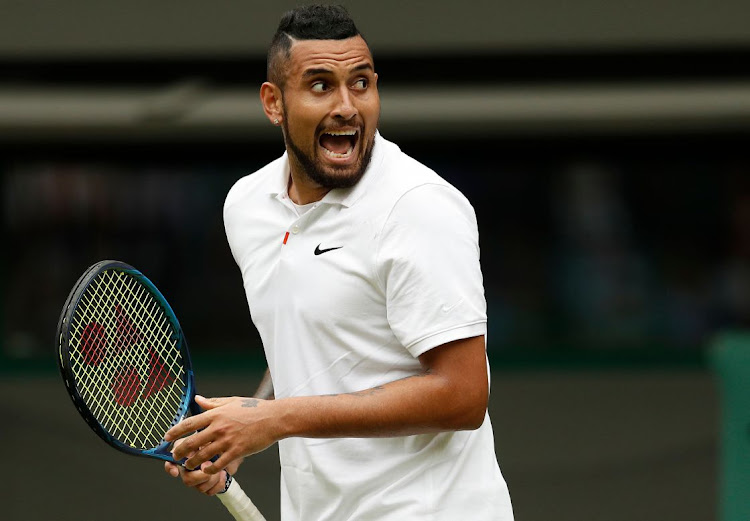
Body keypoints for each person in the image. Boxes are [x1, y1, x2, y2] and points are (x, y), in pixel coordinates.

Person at [164, 5, 513, 520]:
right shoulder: (246, 206)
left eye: (362, 83)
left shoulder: (418, 208)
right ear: (273, 103)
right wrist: (233, 433)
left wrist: (273, 419)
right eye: (321, 85)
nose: (348, 107)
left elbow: (463, 396)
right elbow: (305, 338)